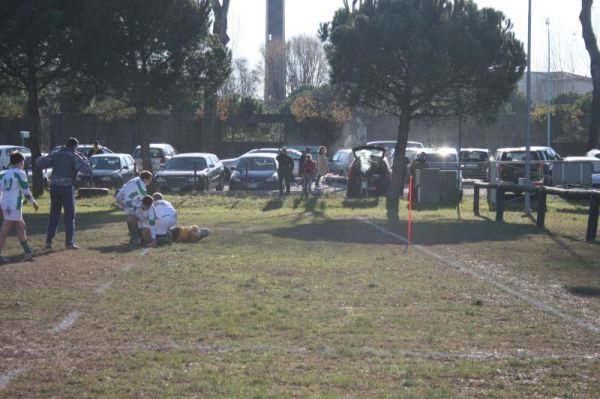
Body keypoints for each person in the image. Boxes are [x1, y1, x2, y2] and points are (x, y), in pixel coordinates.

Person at [36, 137, 91, 249]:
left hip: (54, 187)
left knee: (54, 214)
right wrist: (82, 157)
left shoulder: (56, 153)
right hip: (67, 187)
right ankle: (69, 242)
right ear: (75, 146)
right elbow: (87, 169)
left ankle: (48, 241)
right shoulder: (74, 156)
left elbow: (39, 162)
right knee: (69, 216)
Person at [0, 152, 39, 262]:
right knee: (6, 227)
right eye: (24, 162)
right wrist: (33, 202)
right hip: (14, 205)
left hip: (5, 203)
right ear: (21, 162)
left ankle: (28, 252)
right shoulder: (20, 173)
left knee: (21, 226)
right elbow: (25, 191)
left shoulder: (3, 173)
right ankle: (28, 252)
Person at [116, 170, 154, 245]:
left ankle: (135, 237)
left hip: (121, 198)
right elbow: (145, 202)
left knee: (133, 219)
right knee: (143, 219)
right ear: (146, 179)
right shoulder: (142, 188)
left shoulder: (136, 179)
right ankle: (140, 237)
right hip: (128, 203)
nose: (150, 182)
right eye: (150, 180)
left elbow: (126, 188)